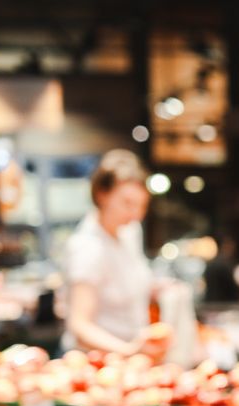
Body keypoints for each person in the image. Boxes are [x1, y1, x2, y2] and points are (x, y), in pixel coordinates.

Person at [62, 149, 167, 358]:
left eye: (142, 206)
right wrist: (129, 350)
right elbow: (80, 325)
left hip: (131, 359)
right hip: (96, 361)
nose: (136, 214)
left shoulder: (129, 232)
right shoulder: (87, 247)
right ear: (102, 194)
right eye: (127, 204)